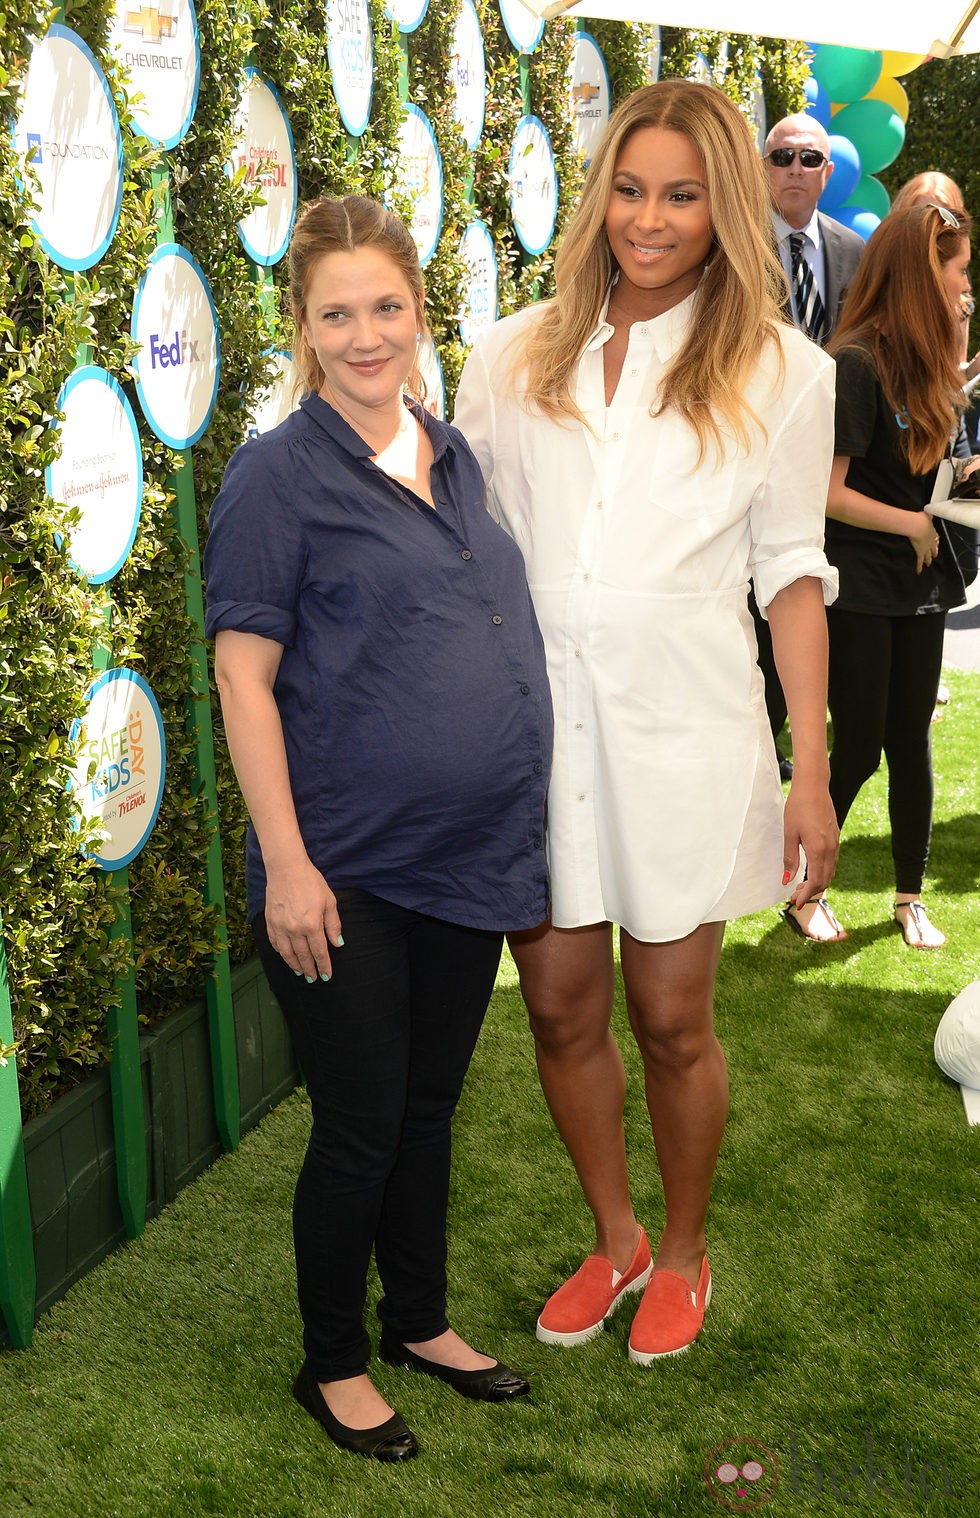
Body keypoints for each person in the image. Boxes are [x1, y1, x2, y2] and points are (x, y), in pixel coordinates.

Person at [453, 80, 839, 1365]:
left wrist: (812, 769)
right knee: (557, 1008)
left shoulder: (785, 371)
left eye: (680, 194)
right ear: (596, 194)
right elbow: (467, 546)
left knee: (670, 1018)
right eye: (628, 189)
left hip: (684, 730)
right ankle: (612, 1235)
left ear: (724, 203)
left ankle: (681, 1252)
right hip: (533, 737)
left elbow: (789, 574)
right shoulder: (509, 354)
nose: (649, 219)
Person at [203, 195, 553, 1460]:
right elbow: (244, 680)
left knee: (428, 1102)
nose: (365, 336)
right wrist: (288, 869)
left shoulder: (449, 448)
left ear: (419, 312)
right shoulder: (274, 477)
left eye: (385, 308)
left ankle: (418, 1321)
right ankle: (332, 1363)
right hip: (342, 870)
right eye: (335, 313)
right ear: (300, 326)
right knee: (358, 1121)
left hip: (466, 860)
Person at [785, 203, 974, 947]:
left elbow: (924, 471)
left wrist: (963, 479)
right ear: (919, 273)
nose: (965, 287)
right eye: (956, 271)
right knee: (860, 743)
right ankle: (803, 890)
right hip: (861, 582)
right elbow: (828, 493)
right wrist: (909, 523)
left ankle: (908, 897)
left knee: (912, 743)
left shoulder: (928, 358)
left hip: (924, 582)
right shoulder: (855, 362)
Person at [754, 112, 867, 779]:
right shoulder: (731, 247)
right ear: (763, 167)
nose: (794, 168)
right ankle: (760, 748)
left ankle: (799, 745)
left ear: (828, 172)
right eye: (781, 156)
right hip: (748, 461)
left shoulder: (854, 251)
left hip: (830, 467)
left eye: (808, 158)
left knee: (808, 609)